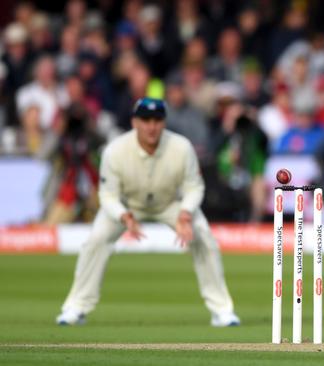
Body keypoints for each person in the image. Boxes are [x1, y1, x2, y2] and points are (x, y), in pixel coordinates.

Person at [56, 97, 240, 327]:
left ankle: (222, 311)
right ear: (134, 122)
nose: (151, 126)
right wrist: (124, 216)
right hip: (128, 206)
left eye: (157, 120)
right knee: (96, 240)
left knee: (203, 236)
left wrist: (185, 213)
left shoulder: (181, 147)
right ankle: (76, 307)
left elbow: (194, 187)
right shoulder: (116, 150)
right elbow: (108, 195)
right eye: (145, 120)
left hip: (170, 204)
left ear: (164, 122)